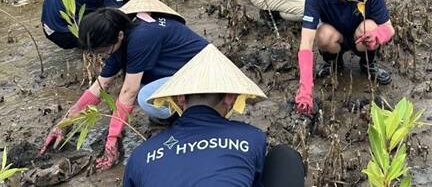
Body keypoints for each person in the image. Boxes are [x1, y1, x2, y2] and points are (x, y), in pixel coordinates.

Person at [39, 0, 208, 170]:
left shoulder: (141, 37)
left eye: (104, 50)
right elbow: (100, 85)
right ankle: (170, 115)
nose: (102, 55)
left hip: (205, 76)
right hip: (180, 73)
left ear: (119, 36)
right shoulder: (118, 34)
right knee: (140, 90)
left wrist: (112, 141)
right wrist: (64, 123)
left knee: (144, 96)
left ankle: (189, 116)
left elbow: (129, 91)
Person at [124, 44, 305, 187]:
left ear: (179, 98)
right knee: (285, 157)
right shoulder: (251, 137)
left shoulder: (141, 155)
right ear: (230, 97)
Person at [295, 0, 395, 116]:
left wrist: (378, 36)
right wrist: (305, 89)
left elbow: (389, 29)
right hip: (336, 37)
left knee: (369, 27)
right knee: (323, 35)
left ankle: (368, 64)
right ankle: (333, 62)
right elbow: (306, 42)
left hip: (360, 38)